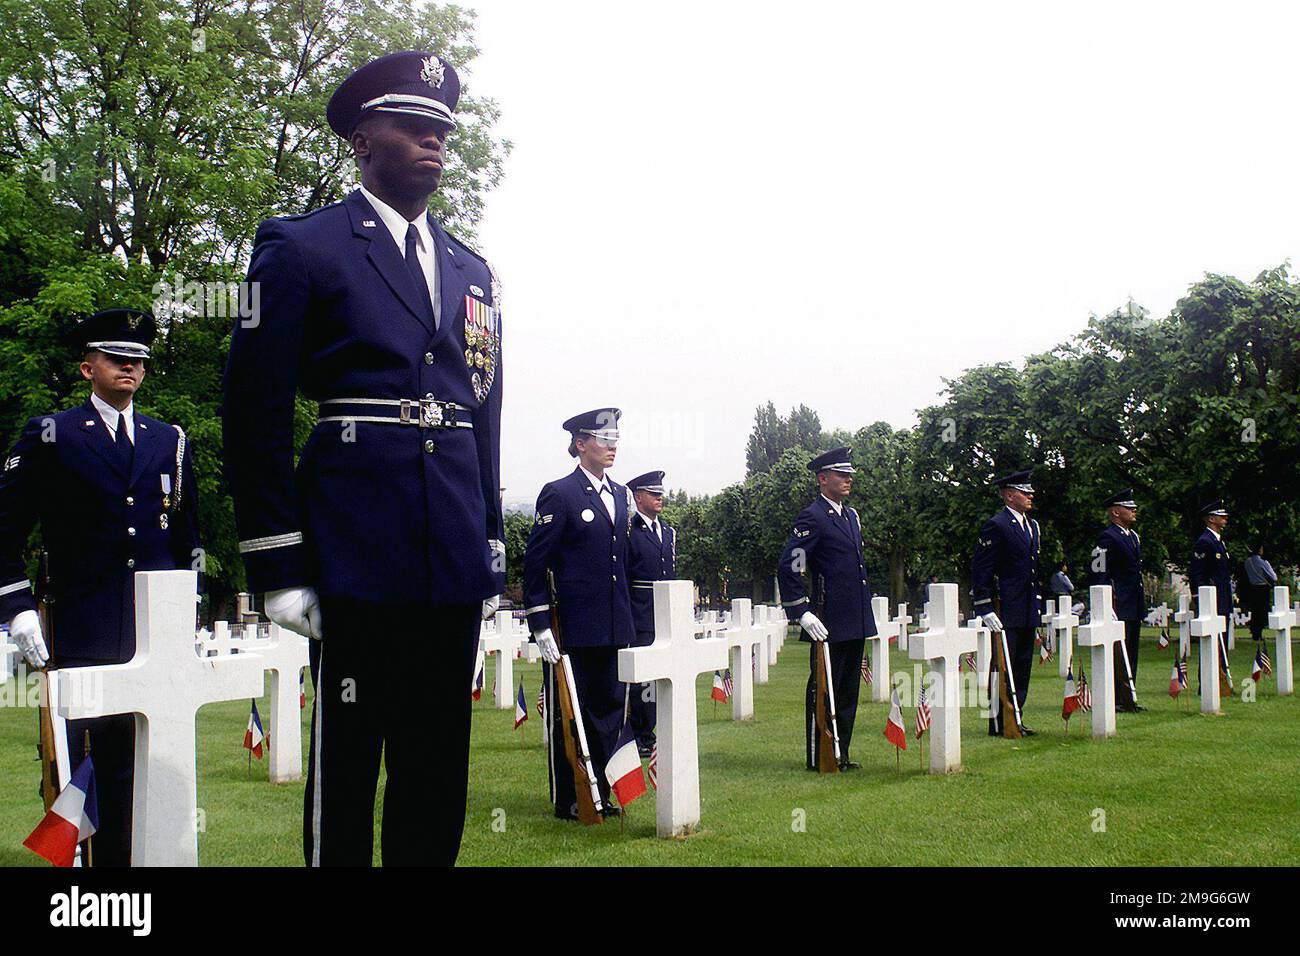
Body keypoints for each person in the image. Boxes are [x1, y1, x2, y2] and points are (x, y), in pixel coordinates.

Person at [222, 51, 504, 866]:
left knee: (436, 766)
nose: (433, 144)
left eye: (443, 131)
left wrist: (488, 533)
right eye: (412, 126)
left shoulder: (472, 270)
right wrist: (276, 560)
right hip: (352, 543)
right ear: (361, 140)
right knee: (348, 762)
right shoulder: (300, 246)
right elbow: (255, 408)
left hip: (447, 548)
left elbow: (482, 409)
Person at [0, 308, 201, 866]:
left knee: (143, 762)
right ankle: (97, 877)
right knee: (86, 759)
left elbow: (186, 537)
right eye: (117, 359)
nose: (130, 370)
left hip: (152, 634)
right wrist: (16, 606)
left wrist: (191, 602)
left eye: (139, 361)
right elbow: (5, 529)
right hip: (83, 627)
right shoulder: (52, 434)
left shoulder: (170, 441)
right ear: (88, 367)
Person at [522, 408, 635, 819]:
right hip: (573, 624)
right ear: (580, 444)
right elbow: (536, 562)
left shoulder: (622, 495)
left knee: (608, 711)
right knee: (571, 710)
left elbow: (620, 562)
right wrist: (539, 622)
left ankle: (603, 791)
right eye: (603, 439)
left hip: (613, 623)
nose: (611, 446)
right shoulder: (560, 493)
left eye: (615, 439)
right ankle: (571, 796)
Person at [776, 447, 875, 771]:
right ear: (823, 479)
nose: (848, 479)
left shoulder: (850, 516)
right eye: (840, 474)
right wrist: (802, 612)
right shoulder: (814, 517)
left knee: (847, 689)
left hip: (853, 617)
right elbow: (790, 566)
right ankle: (821, 753)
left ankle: (840, 751)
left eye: (849, 475)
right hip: (829, 617)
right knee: (824, 685)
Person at [971, 469, 1042, 737]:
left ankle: (1016, 716)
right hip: (1006, 606)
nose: (1030, 496)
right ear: (1010, 495)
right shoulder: (997, 525)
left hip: (1026, 605)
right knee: (1003, 664)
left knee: (1022, 664)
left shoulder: (1032, 526)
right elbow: (982, 568)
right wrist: (985, 606)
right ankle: (999, 721)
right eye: (1025, 492)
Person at [626, 469, 675, 757]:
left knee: (661, 676)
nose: (659, 499)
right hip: (640, 613)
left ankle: (655, 730)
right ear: (638, 497)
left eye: (661, 494)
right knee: (642, 681)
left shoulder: (667, 532)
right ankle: (641, 734)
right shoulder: (630, 531)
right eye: (653, 494)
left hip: (664, 614)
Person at [1089, 489, 1145, 712]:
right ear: (1115, 512)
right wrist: (1105, 604)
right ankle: (1117, 698)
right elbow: (1098, 570)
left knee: (1131, 650)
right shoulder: (1108, 537)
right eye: (1128, 507)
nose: (1133, 511)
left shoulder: (1132, 536)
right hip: (1118, 602)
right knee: (1118, 653)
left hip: (1133, 601)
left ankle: (1129, 695)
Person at [1189, 500, 1233, 691]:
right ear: (1211, 519)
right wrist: (1199, 599)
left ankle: (1220, 679)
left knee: (1221, 640)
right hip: (1211, 600)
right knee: (1211, 642)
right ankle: (1207, 683)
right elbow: (1198, 574)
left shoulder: (1218, 541)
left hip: (1222, 597)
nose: (1225, 519)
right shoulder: (1204, 542)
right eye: (1221, 516)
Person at [1242, 542, 1276, 643]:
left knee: (1255, 611)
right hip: (1262, 588)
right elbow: (1273, 577)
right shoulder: (1261, 562)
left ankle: (1255, 632)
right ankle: (1258, 632)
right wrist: (1268, 565)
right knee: (1261, 611)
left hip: (1252, 588)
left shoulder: (1247, 562)